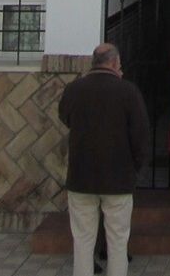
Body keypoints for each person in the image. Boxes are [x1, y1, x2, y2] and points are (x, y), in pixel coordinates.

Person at [58, 43, 151, 276]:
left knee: (82, 241)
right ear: (113, 63)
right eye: (119, 63)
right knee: (118, 242)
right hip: (118, 179)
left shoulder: (74, 89)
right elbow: (140, 134)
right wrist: (135, 168)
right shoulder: (128, 91)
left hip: (81, 177)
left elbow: (65, 117)